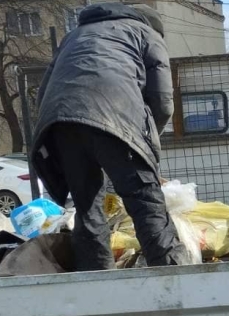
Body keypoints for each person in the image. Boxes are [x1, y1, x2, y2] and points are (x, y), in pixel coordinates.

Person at [29, 2, 190, 271]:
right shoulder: (146, 34)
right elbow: (162, 102)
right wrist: (145, 144)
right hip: (117, 114)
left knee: (88, 208)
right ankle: (173, 281)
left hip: (60, 124)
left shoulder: (74, 36)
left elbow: (42, 93)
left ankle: (99, 284)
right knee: (144, 202)